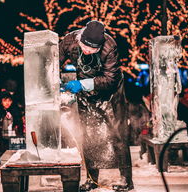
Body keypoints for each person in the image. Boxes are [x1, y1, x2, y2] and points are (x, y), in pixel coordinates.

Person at [59, 20, 133, 191]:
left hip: (111, 93)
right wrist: (55, 77)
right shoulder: (70, 40)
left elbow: (110, 79)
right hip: (86, 94)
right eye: (85, 47)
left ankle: (126, 179)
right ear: (80, 39)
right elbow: (54, 59)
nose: (87, 51)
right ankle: (92, 179)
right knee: (89, 134)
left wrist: (82, 84)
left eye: (93, 50)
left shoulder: (110, 46)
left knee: (118, 134)